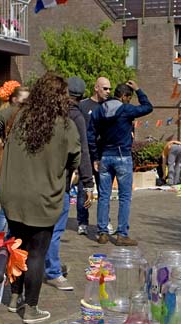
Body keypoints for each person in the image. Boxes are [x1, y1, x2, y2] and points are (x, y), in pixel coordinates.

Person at [0, 73, 80, 324]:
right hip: (44, 197)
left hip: (13, 195)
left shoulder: (15, 113)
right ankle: (31, 308)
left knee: (18, 248)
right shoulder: (66, 125)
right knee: (36, 253)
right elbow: (75, 159)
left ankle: (15, 298)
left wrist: (3, 144)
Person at [88, 80, 153, 246]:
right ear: (124, 96)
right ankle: (121, 234)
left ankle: (102, 232)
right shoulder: (126, 109)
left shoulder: (99, 110)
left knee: (104, 196)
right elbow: (148, 107)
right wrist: (138, 89)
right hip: (122, 156)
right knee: (124, 197)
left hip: (104, 156)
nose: (128, 101)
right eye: (128, 97)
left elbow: (90, 135)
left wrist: (95, 156)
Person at [44, 76, 94, 292]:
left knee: (39, 229)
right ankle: (53, 271)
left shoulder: (44, 115)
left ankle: (41, 265)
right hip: (60, 181)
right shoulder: (75, 117)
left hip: (39, 179)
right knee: (55, 229)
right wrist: (88, 183)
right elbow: (82, 150)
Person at [0, 81, 29, 237]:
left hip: (9, 165)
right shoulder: (10, 115)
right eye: (25, 101)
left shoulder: (3, 113)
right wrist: (1, 145)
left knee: (8, 205)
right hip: (11, 166)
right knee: (8, 206)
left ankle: (2, 238)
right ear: (14, 99)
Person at [77, 76, 110, 236]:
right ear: (96, 88)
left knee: (104, 189)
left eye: (110, 88)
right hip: (87, 154)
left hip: (104, 153)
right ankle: (82, 221)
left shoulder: (109, 106)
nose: (108, 91)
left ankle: (104, 221)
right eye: (105, 88)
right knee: (84, 188)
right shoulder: (83, 106)